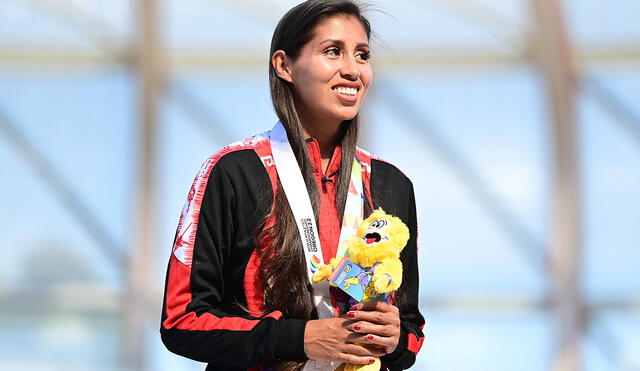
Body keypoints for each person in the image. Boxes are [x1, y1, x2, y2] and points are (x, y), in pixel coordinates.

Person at [160, 1, 425, 370]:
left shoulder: (392, 183)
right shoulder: (234, 171)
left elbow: (411, 328)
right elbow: (181, 321)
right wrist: (300, 339)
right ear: (284, 65)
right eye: (333, 52)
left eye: (362, 55)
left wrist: (395, 339)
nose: (353, 70)